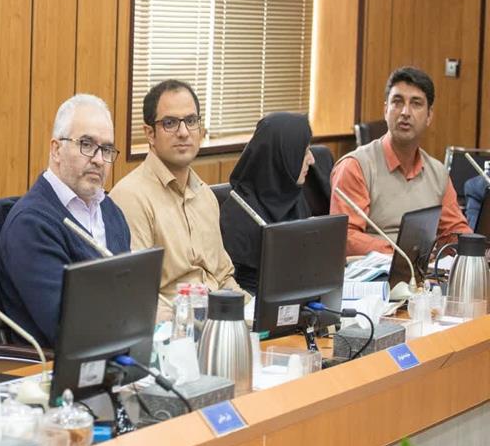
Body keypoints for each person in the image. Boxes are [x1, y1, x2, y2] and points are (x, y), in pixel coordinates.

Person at [0, 94, 130, 348]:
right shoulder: (30, 224)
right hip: (56, 366)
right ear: (56, 149)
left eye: (107, 149)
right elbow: (67, 327)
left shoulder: (110, 211)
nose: (98, 160)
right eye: (87, 144)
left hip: (121, 353)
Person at [110, 79, 247, 309]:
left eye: (191, 121)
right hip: (172, 324)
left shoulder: (205, 195)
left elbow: (224, 278)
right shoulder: (130, 197)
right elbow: (136, 294)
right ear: (150, 133)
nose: (183, 133)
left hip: (216, 316)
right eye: (170, 123)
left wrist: (248, 313)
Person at [330, 66, 470, 256]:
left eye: (416, 103)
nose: (405, 112)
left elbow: (454, 231)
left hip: (423, 271)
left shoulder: (438, 173)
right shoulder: (355, 166)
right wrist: (402, 253)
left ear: (429, 116)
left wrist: (474, 248)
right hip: (373, 271)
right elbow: (345, 237)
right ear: (385, 109)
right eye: (397, 102)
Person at [221, 112, 316, 294]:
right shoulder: (237, 215)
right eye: (304, 152)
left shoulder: (294, 198)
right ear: (282, 157)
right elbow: (232, 287)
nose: (312, 160)